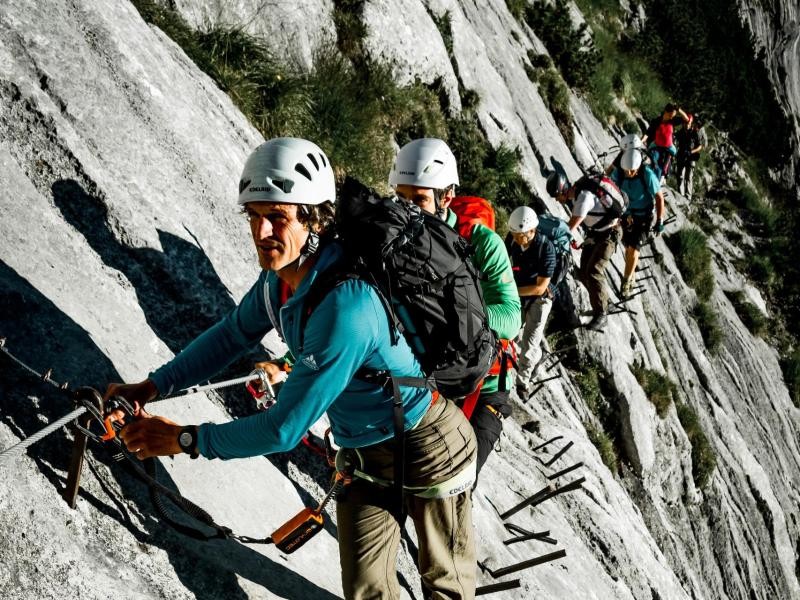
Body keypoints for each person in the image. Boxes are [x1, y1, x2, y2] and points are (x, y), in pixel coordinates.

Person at [105, 137, 478, 599]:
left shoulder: (347, 308)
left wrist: (184, 439)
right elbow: (231, 334)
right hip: (365, 452)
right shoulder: (278, 282)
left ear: (313, 219)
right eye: (254, 216)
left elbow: (283, 430)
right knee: (367, 592)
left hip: (429, 445)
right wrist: (153, 385)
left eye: (277, 218)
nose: (262, 233)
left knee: (445, 590)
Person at [388, 138, 521, 476]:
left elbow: (511, 316)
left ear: (446, 196)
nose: (409, 209)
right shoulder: (393, 237)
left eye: (418, 199)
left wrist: (461, 312)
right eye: (401, 198)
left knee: (456, 484)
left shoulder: (481, 243)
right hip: (429, 374)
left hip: (484, 386)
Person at [547, 172, 622, 331]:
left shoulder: (583, 198)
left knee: (594, 270)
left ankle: (601, 314)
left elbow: (568, 229)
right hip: (596, 233)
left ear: (562, 191)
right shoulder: (577, 193)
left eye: (556, 196)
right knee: (583, 272)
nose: (556, 200)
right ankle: (605, 302)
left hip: (609, 234)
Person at [506, 206, 556, 396]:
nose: (517, 238)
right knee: (512, 330)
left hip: (540, 300)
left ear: (532, 231)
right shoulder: (513, 238)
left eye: (520, 235)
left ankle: (523, 382)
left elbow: (540, 287)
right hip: (519, 291)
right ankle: (536, 356)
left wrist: (512, 290)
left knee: (529, 344)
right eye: (514, 233)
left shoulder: (546, 249)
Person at [611, 148, 664, 298]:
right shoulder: (620, 173)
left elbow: (659, 198)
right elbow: (612, 191)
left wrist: (659, 220)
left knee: (634, 249)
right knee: (628, 248)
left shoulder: (646, 174)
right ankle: (631, 272)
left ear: (638, 167)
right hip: (627, 215)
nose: (629, 174)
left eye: (632, 171)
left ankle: (626, 282)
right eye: (627, 170)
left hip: (644, 216)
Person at [641, 103, 690, 181]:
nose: (673, 115)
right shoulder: (657, 121)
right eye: (672, 113)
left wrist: (678, 109)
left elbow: (686, 119)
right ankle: (648, 179)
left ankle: (658, 181)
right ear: (666, 111)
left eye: (674, 114)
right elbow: (648, 133)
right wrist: (641, 141)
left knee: (662, 168)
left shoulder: (673, 121)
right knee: (654, 162)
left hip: (667, 149)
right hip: (657, 146)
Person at [674, 115, 707, 199]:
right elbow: (674, 140)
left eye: (689, 123)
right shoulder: (680, 132)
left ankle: (688, 197)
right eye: (686, 123)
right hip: (681, 156)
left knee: (689, 177)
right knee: (680, 176)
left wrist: (691, 152)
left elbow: (700, 146)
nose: (687, 125)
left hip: (691, 157)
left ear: (691, 123)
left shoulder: (694, 133)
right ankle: (680, 195)